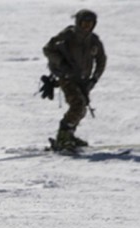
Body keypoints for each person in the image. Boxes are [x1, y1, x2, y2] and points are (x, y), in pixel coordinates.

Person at [42, 9, 107, 151]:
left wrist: (94, 79)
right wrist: (61, 63)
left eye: (90, 23)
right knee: (78, 104)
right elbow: (47, 49)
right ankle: (63, 137)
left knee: (82, 108)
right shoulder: (67, 36)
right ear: (78, 22)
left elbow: (101, 60)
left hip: (84, 80)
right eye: (84, 23)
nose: (87, 26)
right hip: (67, 77)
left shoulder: (94, 41)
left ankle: (69, 135)